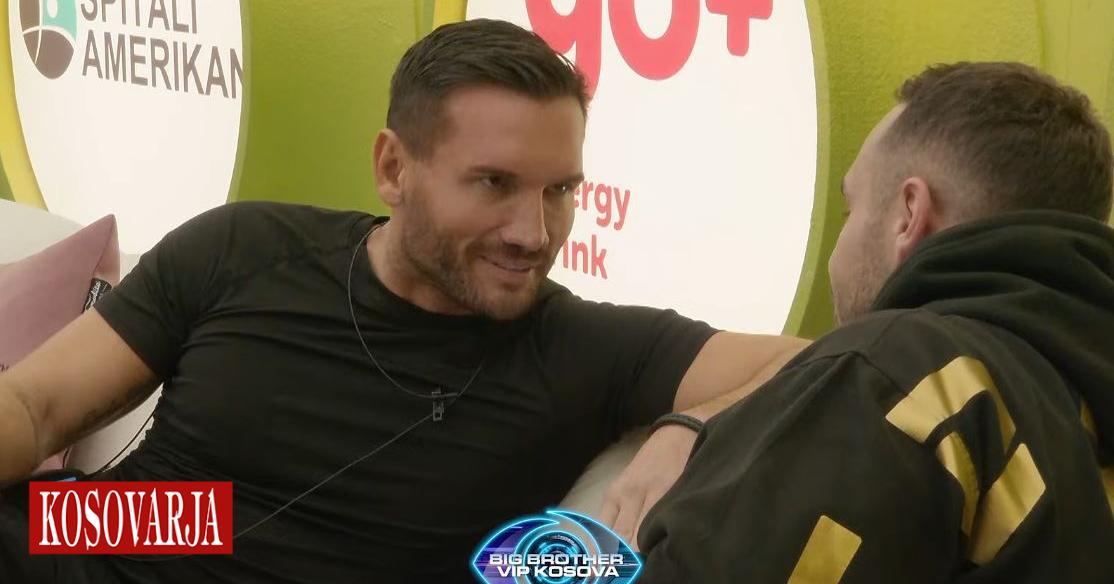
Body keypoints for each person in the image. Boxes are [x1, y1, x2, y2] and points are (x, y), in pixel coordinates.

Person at [0, 19, 806, 583]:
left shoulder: (583, 349)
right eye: (493, 183)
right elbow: (36, 408)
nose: (534, 233)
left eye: (560, 191)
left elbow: (814, 361)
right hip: (86, 537)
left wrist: (688, 427)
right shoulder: (244, 249)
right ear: (393, 168)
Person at [637, 61, 1114, 582]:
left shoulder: (891, 372)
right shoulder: (1075, 407)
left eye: (850, 210)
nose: (839, 248)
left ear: (908, 214)